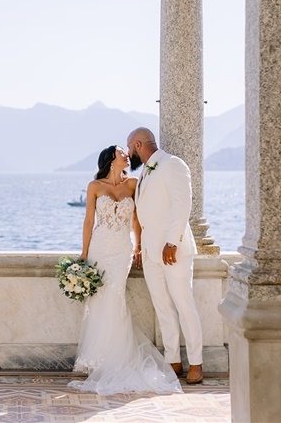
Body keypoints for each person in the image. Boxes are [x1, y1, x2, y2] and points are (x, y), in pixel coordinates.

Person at [69, 145, 182, 395]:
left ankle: (116, 358)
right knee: (99, 299)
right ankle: (97, 358)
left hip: (122, 250)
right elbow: (89, 221)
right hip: (100, 247)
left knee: (115, 295)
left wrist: (139, 246)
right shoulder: (95, 187)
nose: (126, 154)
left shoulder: (133, 184)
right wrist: (84, 254)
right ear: (111, 159)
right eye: (122, 151)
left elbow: (137, 220)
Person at [126, 127, 204, 385]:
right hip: (150, 252)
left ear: (137, 144)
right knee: (162, 307)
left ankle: (196, 363)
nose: (128, 154)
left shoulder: (173, 164)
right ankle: (173, 360)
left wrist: (173, 242)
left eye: (129, 148)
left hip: (173, 250)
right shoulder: (145, 173)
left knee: (184, 304)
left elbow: (183, 204)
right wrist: (139, 247)